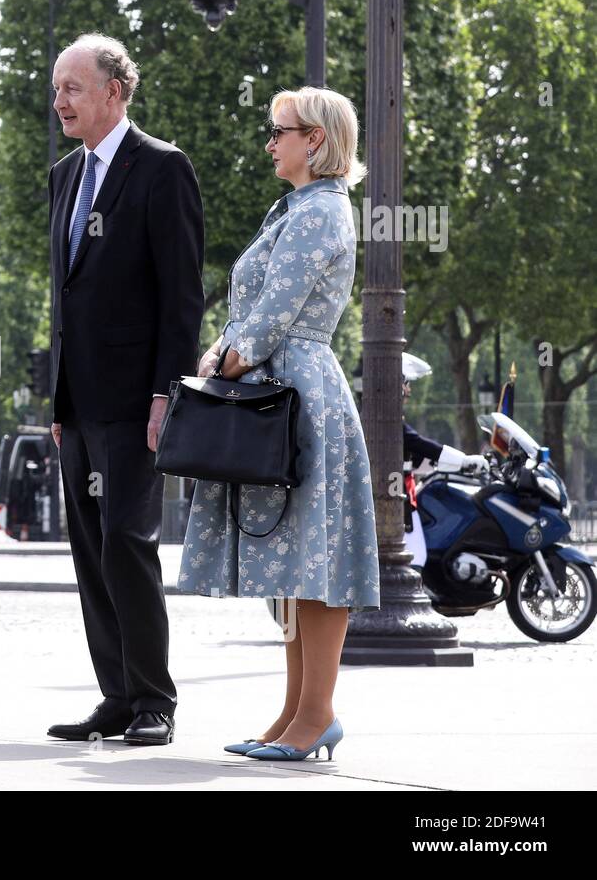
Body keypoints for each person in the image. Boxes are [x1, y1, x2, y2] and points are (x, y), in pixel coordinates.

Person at [177, 86, 380, 762]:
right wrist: (224, 351)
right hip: (283, 386)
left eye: (280, 131)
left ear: (316, 140)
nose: (270, 142)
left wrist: (223, 359)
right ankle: (296, 712)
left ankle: (315, 713)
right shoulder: (299, 207)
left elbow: (275, 311)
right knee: (299, 562)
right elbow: (262, 311)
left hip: (296, 392)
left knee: (315, 563)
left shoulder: (320, 212)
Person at [45, 34, 205, 746]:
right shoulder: (62, 176)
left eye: (73, 88)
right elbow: (64, 295)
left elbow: (182, 297)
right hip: (76, 404)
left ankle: (154, 700)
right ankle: (115, 695)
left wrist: (165, 395)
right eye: (57, 89)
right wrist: (56, 403)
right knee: (89, 551)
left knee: (127, 544)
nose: (60, 101)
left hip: (136, 401)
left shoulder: (162, 169)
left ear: (115, 91)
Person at [399, 352, 489, 567]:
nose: (409, 390)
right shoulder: (391, 419)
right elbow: (419, 444)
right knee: (415, 557)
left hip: (403, 495)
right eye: (406, 383)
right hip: (397, 499)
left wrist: (451, 465)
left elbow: (416, 455)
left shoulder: (391, 417)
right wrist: (465, 461)